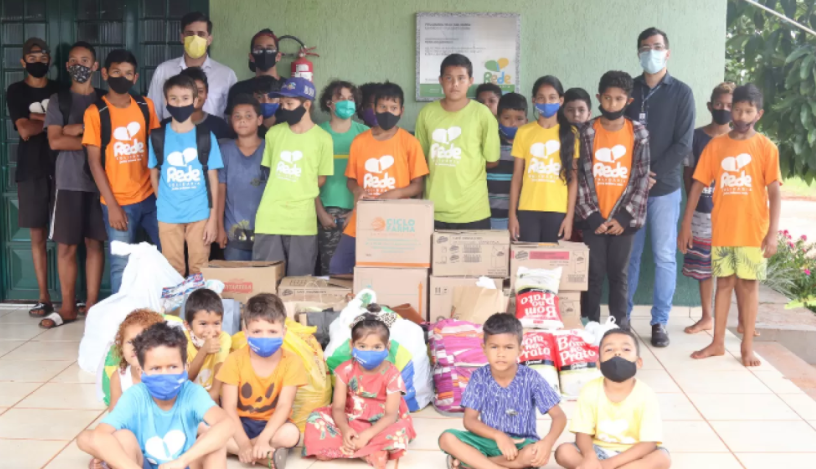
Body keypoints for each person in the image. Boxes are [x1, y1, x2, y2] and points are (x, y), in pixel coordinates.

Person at [680, 84, 781, 367]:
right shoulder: (716, 146)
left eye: (748, 111)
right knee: (723, 284)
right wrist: (686, 223)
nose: (741, 115)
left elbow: (774, 192)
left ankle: (747, 346)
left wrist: (772, 233)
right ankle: (717, 343)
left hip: (752, 232)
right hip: (723, 230)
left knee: (748, 286)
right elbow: (697, 185)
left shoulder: (766, 147)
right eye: (737, 109)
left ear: (759, 114)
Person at [77, 322, 235, 469]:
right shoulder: (135, 396)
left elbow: (227, 424)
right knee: (123, 437)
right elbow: (94, 436)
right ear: (141, 371)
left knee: (216, 446)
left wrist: (182, 461)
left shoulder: (192, 393)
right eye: (155, 368)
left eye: (172, 367)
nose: (165, 374)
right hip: (142, 464)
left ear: (186, 368)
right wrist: (110, 456)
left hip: (185, 464)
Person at [624, 27, 695, 347]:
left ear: (667, 52)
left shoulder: (682, 92)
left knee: (665, 257)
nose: (650, 52)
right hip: (629, 190)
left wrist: (651, 173)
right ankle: (622, 318)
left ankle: (659, 322)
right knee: (630, 256)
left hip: (664, 188)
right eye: (644, 47)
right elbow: (618, 134)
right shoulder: (628, 89)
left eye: (656, 46)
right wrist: (635, 176)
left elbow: (683, 143)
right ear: (638, 53)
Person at [438, 313, 566, 469]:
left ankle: (472, 462)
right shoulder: (479, 377)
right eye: (494, 347)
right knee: (446, 438)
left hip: (521, 444)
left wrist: (547, 442)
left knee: (532, 454)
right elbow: (469, 421)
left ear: (520, 350)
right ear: (484, 349)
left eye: (508, 347)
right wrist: (499, 436)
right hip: (487, 440)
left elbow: (559, 416)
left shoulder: (531, 378)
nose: (501, 353)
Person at [329, 82, 429, 275]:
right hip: (364, 216)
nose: (388, 112)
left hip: (397, 221)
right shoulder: (360, 141)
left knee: (386, 271)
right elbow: (351, 180)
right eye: (382, 107)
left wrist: (395, 193)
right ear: (374, 108)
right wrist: (357, 190)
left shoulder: (410, 143)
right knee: (338, 266)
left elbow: (418, 185)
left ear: (401, 111)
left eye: (393, 107)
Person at [82, 49, 161, 296]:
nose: (122, 77)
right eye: (117, 72)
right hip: (117, 202)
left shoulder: (146, 106)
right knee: (120, 265)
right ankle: (121, 316)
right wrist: (113, 206)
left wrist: (161, 194)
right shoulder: (95, 112)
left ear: (136, 78)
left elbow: (156, 150)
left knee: (168, 253)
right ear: (105, 73)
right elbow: (94, 162)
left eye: (128, 73)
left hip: (151, 197)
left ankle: (166, 308)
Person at [577, 71, 650, 327]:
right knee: (593, 274)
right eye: (607, 98)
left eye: (619, 99)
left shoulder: (638, 132)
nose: (612, 104)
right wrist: (592, 216)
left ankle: (620, 325)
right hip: (593, 218)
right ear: (599, 98)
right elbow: (581, 177)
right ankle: (591, 324)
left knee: (619, 274)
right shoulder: (587, 131)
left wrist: (624, 217)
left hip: (623, 220)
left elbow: (642, 178)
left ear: (628, 101)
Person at [43, 41, 106, 329]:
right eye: (73, 60)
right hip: (68, 182)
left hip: (101, 182)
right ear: (67, 66)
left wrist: (76, 131)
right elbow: (55, 141)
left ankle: (92, 305)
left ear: (95, 66)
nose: (79, 65)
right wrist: (90, 135)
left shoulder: (105, 100)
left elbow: (113, 140)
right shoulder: (59, 101)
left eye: (85, 60)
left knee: (95, 244)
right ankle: (67, 307)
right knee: (67, 247)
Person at [303, 312, 416, 468]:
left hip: (381, 424)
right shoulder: (345, 370)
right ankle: (368, 452)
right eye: (362, 346)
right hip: (351, 419)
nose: (369, 352)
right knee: (315, 419)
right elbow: (338, 408)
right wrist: (345, 430)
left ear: (387, 347)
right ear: (352, 345)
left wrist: (367, 435)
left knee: (400, 431)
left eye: (377, 347)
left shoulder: (392, 374)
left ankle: (350, 449)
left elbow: (390, 416)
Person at [554, 329, 670, 469]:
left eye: (626, 349)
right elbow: (582, 432)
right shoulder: (590, 390)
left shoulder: (646, 394)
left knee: (662, 458)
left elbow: (649, 443)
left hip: (634, 455)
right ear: (598, 364)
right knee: (563, 451)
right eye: (609, 350)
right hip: (598, 451)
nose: (617, 353)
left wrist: (608, 465)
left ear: (638, 362)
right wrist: (590, 457)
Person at [252, 77, 333, 276]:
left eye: (289, 103)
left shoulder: (323, 139)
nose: (284, 108)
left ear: (306, 104)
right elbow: (269, 171)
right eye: (282, 104)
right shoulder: (274, 133)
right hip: (270, 216)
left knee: (299, 280)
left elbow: (322, 178)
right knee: (266, 278)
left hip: (302, 219)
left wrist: (299, 188)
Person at [217, 293, 306, 466]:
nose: (265, 337)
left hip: (272, 425)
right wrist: (243, 443)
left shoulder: (292, 362)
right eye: (257, 331)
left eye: (272, 331)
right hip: (238, 424)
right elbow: (229, 407)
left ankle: (244, 451)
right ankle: (263, 456)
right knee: (204, 428)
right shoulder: (234, 360)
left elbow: (284, 406)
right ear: (245, 333)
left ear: (284, 332)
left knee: (291, 434)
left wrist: (264, 439)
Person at [148, 74, 223, 277]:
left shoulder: (205, 136)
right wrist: (162, 199)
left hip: (199, 213)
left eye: (185, 98)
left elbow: (213, 179)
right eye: (174, 99)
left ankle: (196, 300)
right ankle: (176, 301)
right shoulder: (157, 136)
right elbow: (154, 173)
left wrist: (213, 219)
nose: (179, 103)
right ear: (166, 101)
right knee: (172, 270)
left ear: (195, 100)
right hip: (168, 215)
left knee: (199, 269)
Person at [6, 37, 59, 318]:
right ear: (23, 61)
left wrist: (37, 118)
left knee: (68, 236)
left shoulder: (60, 89)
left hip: (62, 168)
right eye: (33, 57)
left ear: (50, 60)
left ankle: (70, 296)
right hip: (31, 170)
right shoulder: (16, 91)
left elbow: (71, 125)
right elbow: (25, 130)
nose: (38, 61)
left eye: (43, 57)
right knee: (37, 235)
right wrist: (53, 122)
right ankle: (43, 297)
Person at [416, 53, 500, 229]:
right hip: (433, 210)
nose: (455, 84)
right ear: (440, 80)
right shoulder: (426, 113)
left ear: (470, 81)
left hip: (473, 211)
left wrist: (467, 166)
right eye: (449, 78)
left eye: (461, 78)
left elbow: (492, 160)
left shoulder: (482, 114)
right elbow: (420, 161)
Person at [682, 82, 735, 335]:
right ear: (710, 106)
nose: (723, 109)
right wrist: (690, 212)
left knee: (730, 266)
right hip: (702, 211)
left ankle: (738, 320)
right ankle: (706, 316)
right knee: (704, 267)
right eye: (719, 104)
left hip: (731, 215)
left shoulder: (740, 140)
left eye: (729, 105)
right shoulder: (695, 137)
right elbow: (688, 175)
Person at [91, 309, 166, 469]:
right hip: (131, 440)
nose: (136, 347)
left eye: (144, 342)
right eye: (130, 342)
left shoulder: (165, 375)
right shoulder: (120, 377)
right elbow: (114, 414)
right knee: (102, 444)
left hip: (163, 440)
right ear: (121, 346)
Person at [508, 76, 578, 243]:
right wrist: (512, 215)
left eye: (552, 97)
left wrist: (569, 217)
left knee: (553, 259)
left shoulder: (571, 133)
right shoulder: (524, 132)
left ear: (561, 100)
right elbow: (517, 176)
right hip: (527, 209)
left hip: (557, 211)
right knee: (527, 259)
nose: (546, 102)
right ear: (534, 101)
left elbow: (573, 179)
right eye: (541, 98)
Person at [316, 80, 368, 275]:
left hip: (360, 210)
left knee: (362, 271)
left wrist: (356, 210)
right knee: (331, 272)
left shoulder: (365, 134)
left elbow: (370, 177)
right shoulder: (316, 134)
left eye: (351, 98)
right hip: (326, 212)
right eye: (340, 98)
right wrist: (320, 212)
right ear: (329, 103)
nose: (347, 102)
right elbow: (308, 179)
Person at [147, 12, 237, 121]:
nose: (195, 39)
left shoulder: (226, 75)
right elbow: (153, 113)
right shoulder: (163, 71)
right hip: (171, 131)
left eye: (201, 34)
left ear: (209, 39)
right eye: (190, 34)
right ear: (182, 37)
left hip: (213, 131)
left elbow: (232, 117)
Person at [217, 94, 267, 261]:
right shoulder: (225, 150)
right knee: (237, 276)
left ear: (259, 120)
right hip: (234, 234)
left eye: (248, 116)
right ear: (231, 121)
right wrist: (219, 227)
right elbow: (220, 191)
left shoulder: (270, 149)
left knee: (266, 275)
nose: (242, 120)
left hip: (267, 233)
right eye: (237, 116)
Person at [487, 92, 527, 230]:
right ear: (498, 119)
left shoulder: (530, 148)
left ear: (526, 121)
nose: (513, 123)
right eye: (506, 118)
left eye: (519, 118)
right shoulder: (491, 144)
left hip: (518, 219)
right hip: (488, 215)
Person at [183, 288, 231, 401]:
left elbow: (220, 368)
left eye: (216, 323)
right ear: (188, 325)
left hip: (212, 397)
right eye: (203, 324)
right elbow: (185, 379)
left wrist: (213, 395)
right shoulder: (181, 341)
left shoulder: (223, 338)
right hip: (187, 397)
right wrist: (204, 351)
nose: (210, 330)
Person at [161, 66, 232, 139]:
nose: (195, 96)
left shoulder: (219, 126)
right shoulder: (164, 126)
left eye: (200, 91)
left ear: (206, 94)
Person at [226, 29, 284, 112]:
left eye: (270, 49)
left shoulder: (290, 87)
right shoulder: (238, 90)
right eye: (259, 49)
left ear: (278, 56)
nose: (264, 53)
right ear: (251, 57)